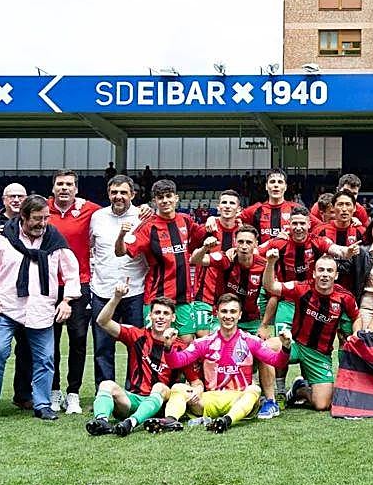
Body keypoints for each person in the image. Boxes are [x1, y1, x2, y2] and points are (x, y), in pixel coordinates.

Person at [0, 195, 80, 421]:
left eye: (46, 218)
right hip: (5, 307)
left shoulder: (55, 240)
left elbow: (71, 273)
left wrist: (67, 300)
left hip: (41, 309)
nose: (42, 223)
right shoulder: (3, 238)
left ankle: (42, 404)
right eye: (37, 219)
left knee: (45, 358)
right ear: (23, 217)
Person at [152, 294, 294, 434]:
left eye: (233, 312)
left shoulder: (250, 341)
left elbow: (277, 361)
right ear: (217, 313)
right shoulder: (204, 342)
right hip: (210, 400)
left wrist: (286, 347)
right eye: (224, 311)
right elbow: (176, 362)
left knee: (254, 390)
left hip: (239, 399)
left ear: (239, 315)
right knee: (178, 388)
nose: (228, 316)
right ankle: (170, 420)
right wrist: (168, 347)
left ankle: (226, 421)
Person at [189, 224, 277, 417]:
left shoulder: (263, 264)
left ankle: (270, 401)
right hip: (225, 318)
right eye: (241, 242)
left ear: (255, 245)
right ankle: (205, 391)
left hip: (251, 320)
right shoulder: (225, 259)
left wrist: (264, 325)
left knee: (266, 349)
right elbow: (194, 260)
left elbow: (273, 295)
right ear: (235, 243)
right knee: (207, 345)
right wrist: (205, 247)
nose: (244, 246)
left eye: (248, 242)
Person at [261, 252, 362, 411]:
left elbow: (356, 317)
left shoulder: (345, 297)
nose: (325, 274)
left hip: (319, 355)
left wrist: (356, 333)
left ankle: (299, 390)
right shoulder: (301, 288)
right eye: (321, 270)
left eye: (329, 271)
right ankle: (271, 400)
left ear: (336, 275)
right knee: (265, 348)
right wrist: (271, 262)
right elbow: (270, 286)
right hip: (295, 344)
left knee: (322, 404)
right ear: (314, 273)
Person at [84, 285, 183, 436]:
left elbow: (192, 380)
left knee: (159, 386)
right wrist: (117, 297)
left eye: (166, 313)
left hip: (161, 403)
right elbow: (102, 321)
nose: (161, 317)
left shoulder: (181, 346)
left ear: (173, 318)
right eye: (157, 313)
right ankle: (101, 422)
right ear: (150, 316)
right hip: (134, 399)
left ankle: (132, 423)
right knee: (106, 384)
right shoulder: (137, 335)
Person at [117, 178, 208, 338]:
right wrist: (122, 235)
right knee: (157, 347)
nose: (165, 201)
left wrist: (214, 219)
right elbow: (123, 251)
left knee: (186, 344)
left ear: (176, 198)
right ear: (154, 201)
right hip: (157, 298)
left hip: (183, 298)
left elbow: (203, 233)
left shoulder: (185, 220)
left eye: (168, 196)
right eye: (160, 197)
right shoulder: (148, 227)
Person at [45, 170, 100, 414]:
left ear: (76, 189)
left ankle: (74, 393)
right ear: (53, 188)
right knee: (50, 342)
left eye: (69, 184)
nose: (64, 188)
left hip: (80, 285)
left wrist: (144, 210)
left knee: (78, 341)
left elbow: (119, 213)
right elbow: (14, 214)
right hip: (46, 286)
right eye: (60, 184)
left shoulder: (90, 210)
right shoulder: (43, 208)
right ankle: (54, 392)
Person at [87, 174, 147, 388]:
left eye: (123, 192)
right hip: (103, 291)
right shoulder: (97, 217)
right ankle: (105, 391)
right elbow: (89, 247)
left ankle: (135, 390)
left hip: (135, 292)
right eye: (114, 192)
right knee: (102, 346)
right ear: (108, 194)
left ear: (132, 194)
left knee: (137, 345)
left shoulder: (144, 216)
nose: (118, 196)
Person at [242, 168, 304, 243]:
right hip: (262, 254)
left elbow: (318, 226)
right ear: (266, 186)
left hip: (289, 254)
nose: (276, 185)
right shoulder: (255, 210)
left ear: (285, 187)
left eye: (280, 182)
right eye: (272, 182)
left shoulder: (295, 209)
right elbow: (233, 221)